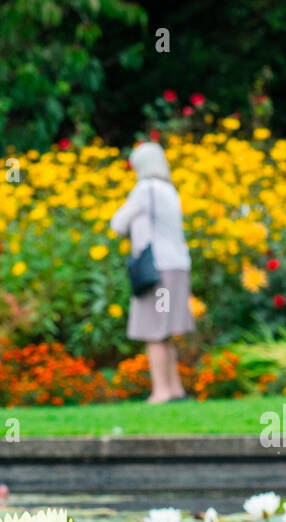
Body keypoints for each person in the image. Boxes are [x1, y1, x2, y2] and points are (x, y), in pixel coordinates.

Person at [111, 142, 194, 403]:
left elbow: (118, 224)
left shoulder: (144, 190)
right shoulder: (170, 190)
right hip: (178, 266)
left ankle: (161, 391)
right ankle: (175, 389)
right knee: (166, 331)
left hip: (156, 269)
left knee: (154, 331)